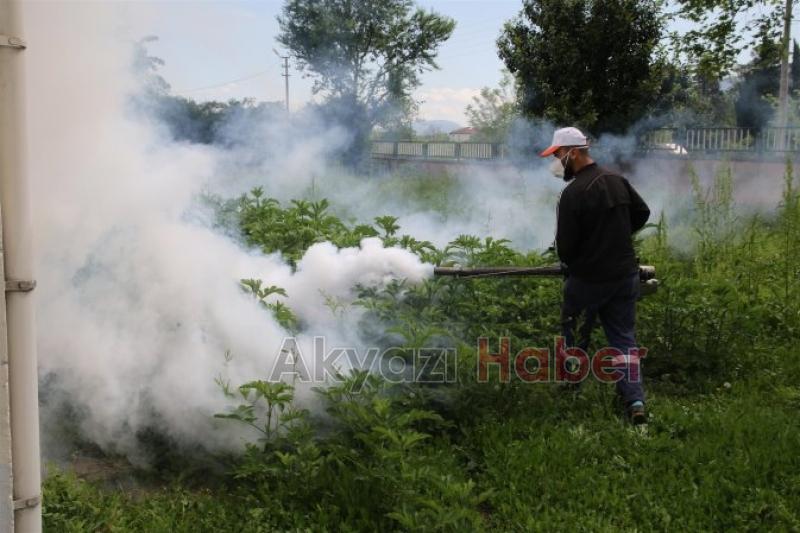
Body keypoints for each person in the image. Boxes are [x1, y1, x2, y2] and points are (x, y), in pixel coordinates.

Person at [539, 127, 651, 425]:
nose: (557, 160)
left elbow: (565, 248)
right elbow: (642, 213)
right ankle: (635, 401)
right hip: (624, 275)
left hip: (588, 280)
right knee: (624, 339)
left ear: (573, 152)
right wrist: (616, 236)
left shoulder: (572, 193)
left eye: (559, 154)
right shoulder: (617, 181)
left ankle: (571, 383)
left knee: (572, 329)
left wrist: (580, 257)